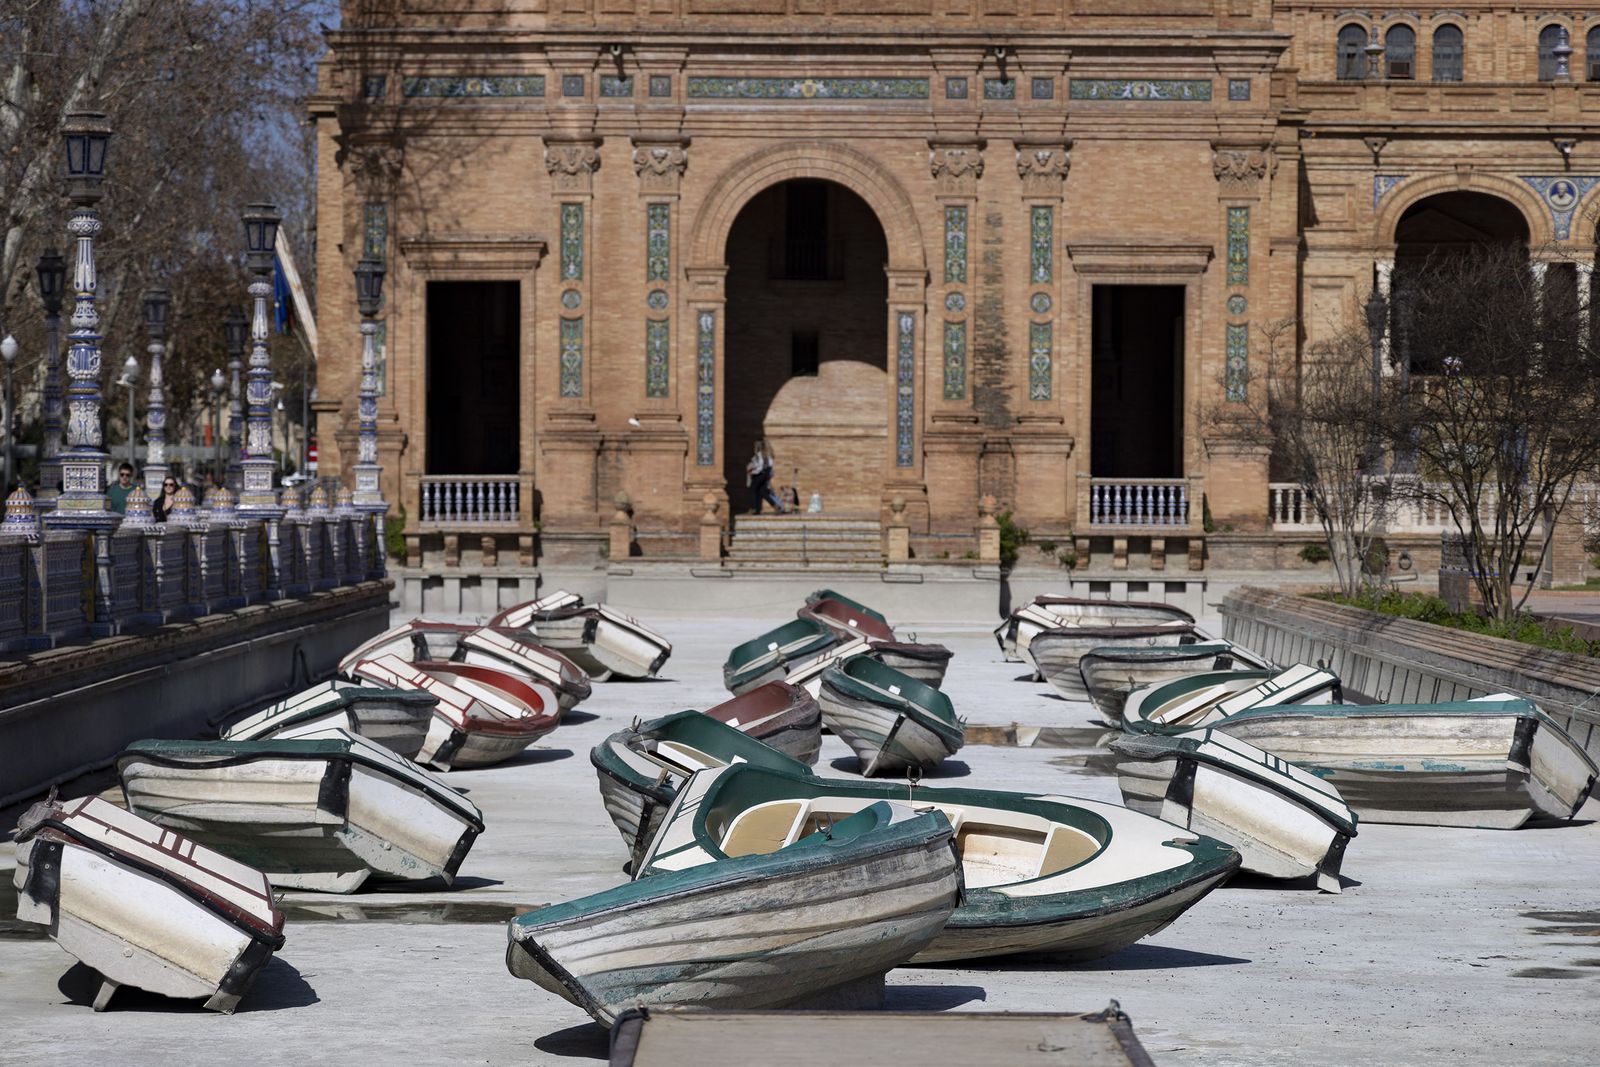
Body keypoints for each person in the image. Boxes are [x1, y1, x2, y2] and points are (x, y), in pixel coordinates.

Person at [748, 440, 786, 514]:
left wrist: (752, 471)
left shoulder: (758, 456)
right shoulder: (767, 456)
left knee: (753, 490)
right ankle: (775, 505)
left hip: (759, 475)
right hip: (766, 476)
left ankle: (754, 508)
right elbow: (770, 466)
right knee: (762, 492)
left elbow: (758, 468)